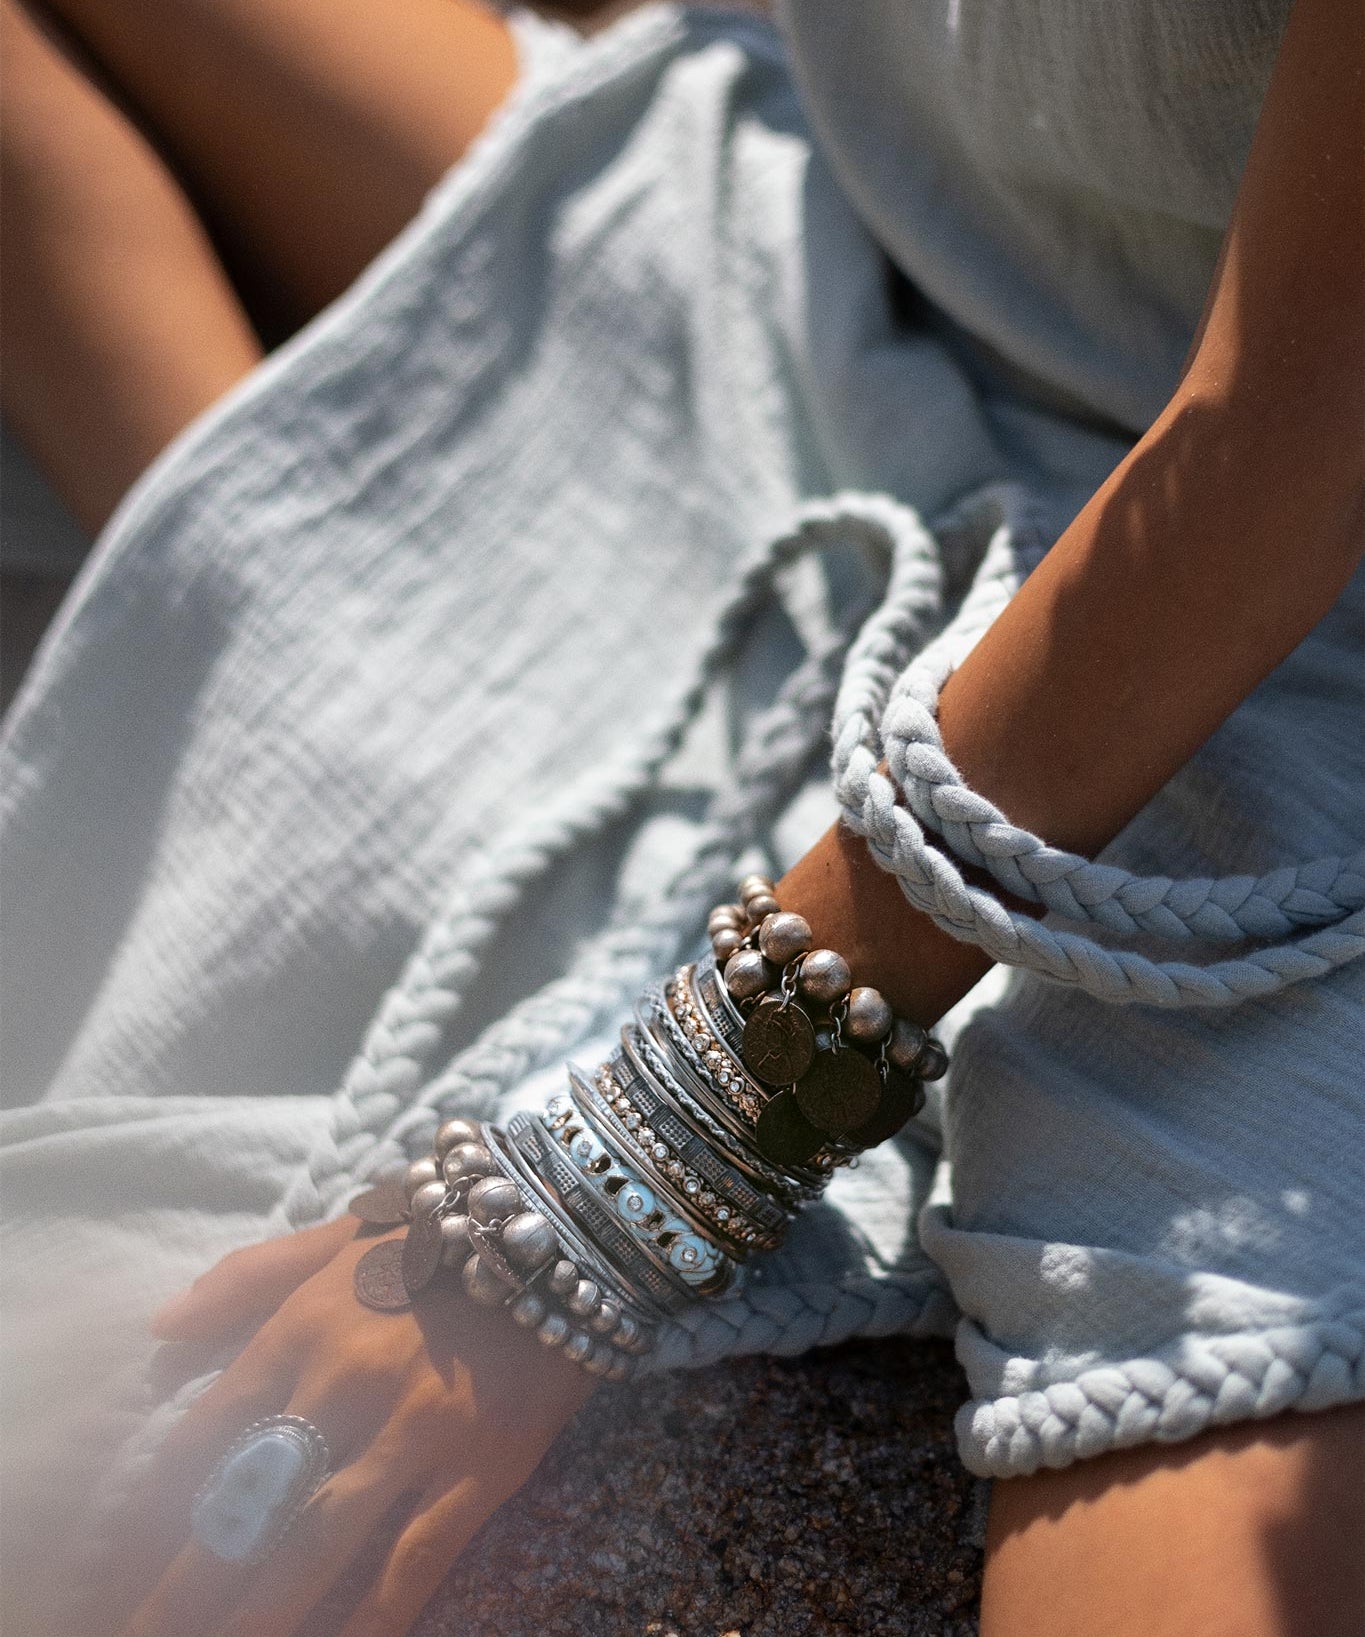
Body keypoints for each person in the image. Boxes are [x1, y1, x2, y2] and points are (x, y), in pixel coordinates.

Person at [1, 0, 1361, 1634]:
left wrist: (655, 1145)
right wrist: (296, 579)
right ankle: (314, 603)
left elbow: (1292, 437)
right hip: (849, 263)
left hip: (1282, 612)